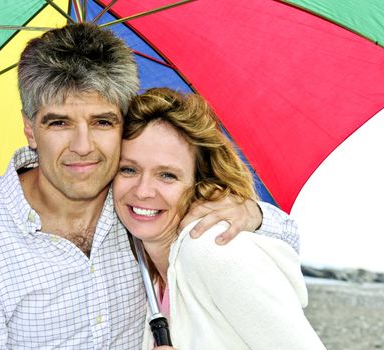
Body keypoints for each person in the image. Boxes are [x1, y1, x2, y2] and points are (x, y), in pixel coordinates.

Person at [0, 23, 300, 348]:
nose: (83, 148)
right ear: (30, 128)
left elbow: (283, 244)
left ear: (123, 123)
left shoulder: (137, 201)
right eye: (59, 122)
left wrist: (250, 214)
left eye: (102, 122)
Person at [113, 87, 325, 349]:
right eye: (129, 169)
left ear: (200, 181)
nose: (143, 191)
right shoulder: (150, 272)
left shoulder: (212, 250)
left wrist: (256, 214)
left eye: (167, 175)